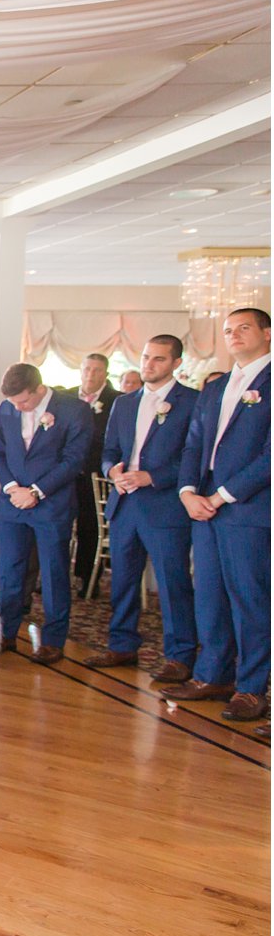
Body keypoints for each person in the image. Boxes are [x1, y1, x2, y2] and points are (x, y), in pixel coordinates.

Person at [162, 308, 270, 722]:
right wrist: (188, 491)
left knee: (251, 600)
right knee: (209, 596)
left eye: (244, 328)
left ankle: (251, 687)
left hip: (248, 510)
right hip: (202, 508)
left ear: (267, 333)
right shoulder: (216, 387)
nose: (234, 335)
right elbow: (193, 444)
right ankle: (213, 675)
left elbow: (269, 457)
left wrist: (223, 495)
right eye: (228, 330)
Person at [81, 336, 197, 672]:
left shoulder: (192, 402)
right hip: (124, 503)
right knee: (122, 581)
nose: (149, 364)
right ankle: (121, 645)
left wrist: (153, 476)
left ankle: (180, 656)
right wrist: (111, 469)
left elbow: (195, 457)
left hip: (164, 506)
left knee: (172, 584)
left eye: (159, 359)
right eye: (146, 357)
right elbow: (109, 451)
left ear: (176, 363)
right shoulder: (125, 402)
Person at [0, 362, 90, 662]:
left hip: (52, 503)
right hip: (12, 503)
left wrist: (35, 492)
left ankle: (53, 640)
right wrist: (11, 488)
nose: (18, 407)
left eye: (23, 401)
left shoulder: (73, 410)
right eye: (13, 402)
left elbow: (74, 460)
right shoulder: (7, 409)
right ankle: (6, 633)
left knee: (53, 571)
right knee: (9, 570)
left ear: (39, 388)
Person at [63, 352, 119, 596]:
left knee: (90, 526)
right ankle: (58, 576)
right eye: (87, 369)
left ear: (105, 374)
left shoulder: (117, 400)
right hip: (65, 473)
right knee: (61, 526)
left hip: (95, 473)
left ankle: (86, 578)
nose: (90, 375)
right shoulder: (65, 396)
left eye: (97, 370)